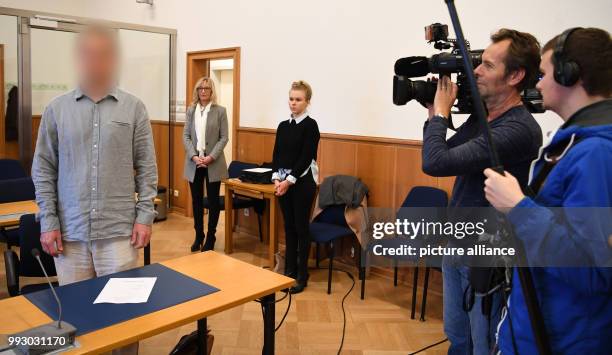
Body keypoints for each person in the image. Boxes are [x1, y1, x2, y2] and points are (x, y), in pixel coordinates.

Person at [484, 27, 612, 354]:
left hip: (561, 338)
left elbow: (594, 269)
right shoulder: (574, 144)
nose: (538, 83)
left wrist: (518, 207)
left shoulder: (595, 154)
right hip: (537, 326)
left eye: (543, 74)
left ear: (571, 75)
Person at [32, 26, 157, 355]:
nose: (96, 60)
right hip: (70, 236)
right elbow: (43, 167)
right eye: (88, 53)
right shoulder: (56, 110)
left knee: (124, 320)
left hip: (119, 233)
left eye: (104, 53)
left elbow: (147, 167)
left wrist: (145, 216)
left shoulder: (134, 108)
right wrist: (48, 220)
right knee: (76, 320)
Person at [421, 29, 543, 355]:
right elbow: (441, 155)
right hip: (458, 241)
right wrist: (434, 114)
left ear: (515, 75)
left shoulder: (519, 129)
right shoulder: (483, 119)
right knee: (456, 335)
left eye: (487, 65)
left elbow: (434, 162)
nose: (475, 71)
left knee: (482, 341)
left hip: (487, 257)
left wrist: (443, 114)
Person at [272, 80, 320, 294]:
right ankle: (289, 271)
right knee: (289, 227)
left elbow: (305, 157)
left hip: (302, 184)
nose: (293, 103)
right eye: (291, 99)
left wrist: (288, 181)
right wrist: (276, 178)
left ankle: (302, 274)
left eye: (298, 100)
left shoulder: (311, 125)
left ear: (307, 102)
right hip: (282, 184)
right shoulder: (283, 126)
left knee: (301, 228)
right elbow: (277, 155)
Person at [183, 77, 229, 252]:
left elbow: (224, 137)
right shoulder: (191, 110)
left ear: (212, 91)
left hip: (213, 163)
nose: (203, 91)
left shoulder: (220, 111)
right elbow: (185, 136)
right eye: (200, 88)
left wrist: (211, 157)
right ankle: (198, 235)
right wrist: (194, 156)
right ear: (197, 91)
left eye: (207, 88)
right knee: (196, 201)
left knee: (213, 201)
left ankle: (211, 236)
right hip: (194, 162)